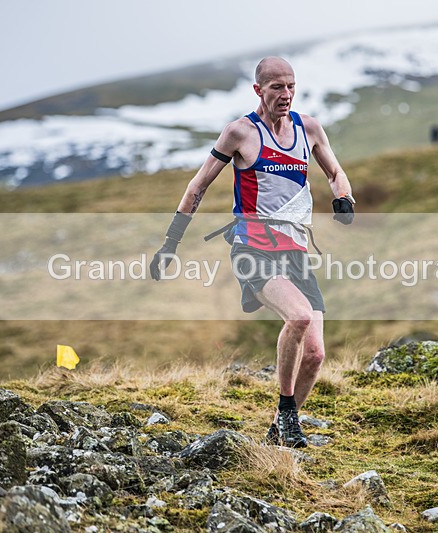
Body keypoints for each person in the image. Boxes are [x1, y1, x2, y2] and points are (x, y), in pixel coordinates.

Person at [149, 57, 355, 448]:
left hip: (295, 253)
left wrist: (343, 197)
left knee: (315, 354)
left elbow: (335, 172)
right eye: (277, 87)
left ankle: (278, 432)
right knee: (298, 316)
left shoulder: (309, 128)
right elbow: (197, 187)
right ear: (259, 90)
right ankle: (289, 413)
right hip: (253, 249)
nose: (286, 94)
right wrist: (170, 244)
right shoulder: (240, 133)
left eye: (291, 86)